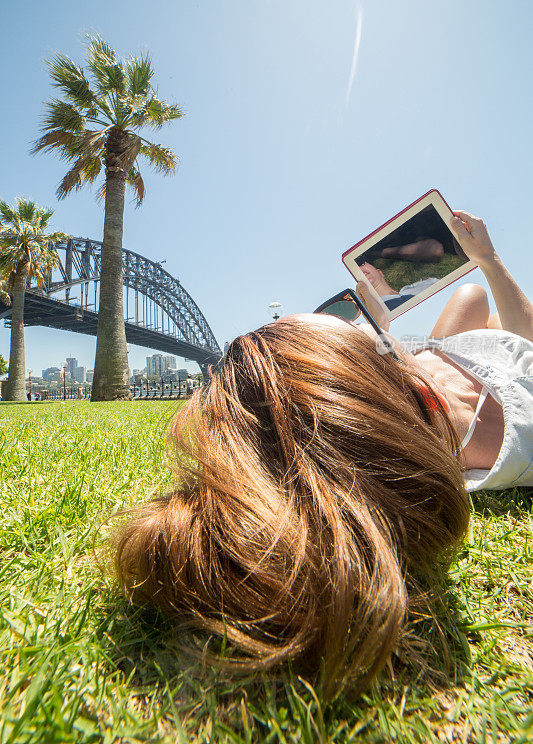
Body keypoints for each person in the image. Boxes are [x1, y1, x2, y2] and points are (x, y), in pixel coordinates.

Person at [113, 211, 532, 697]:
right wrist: (489, 258)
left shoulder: (401, 420)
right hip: (474, 362)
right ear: (360, 381)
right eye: (342, 326)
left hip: (439, 363)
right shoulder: (508, 431)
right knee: (487, 300)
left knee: (471, 296)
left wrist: (380, 317)